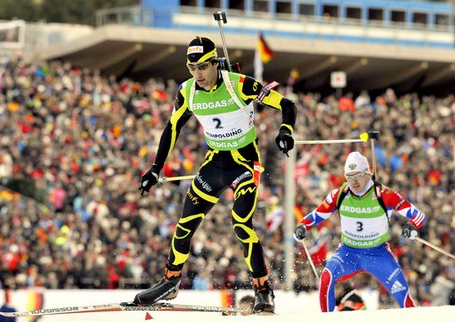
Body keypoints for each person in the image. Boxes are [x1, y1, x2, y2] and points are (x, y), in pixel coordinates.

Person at [135, 36, 297, 314]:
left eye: (202, 67)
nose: (197, 73)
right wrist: (155, 168)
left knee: (241, 223)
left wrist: (286, 130)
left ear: (215, 63)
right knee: (185, 223)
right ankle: (170, 281)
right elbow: (171, 128)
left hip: (245, 162)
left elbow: (287, 104)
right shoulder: (187, 91)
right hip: (215, 163)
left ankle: (263, 289)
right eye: (191, 67)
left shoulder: (240, 84)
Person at [293, 151, 426, 312]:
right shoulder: (339, 194)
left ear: (367, 174)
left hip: (379, 254)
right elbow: (317, 214)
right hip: (349, 253)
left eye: (357, 176)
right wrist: (303, 226)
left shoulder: (384, 194)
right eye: (349, 177)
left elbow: (418, 215)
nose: (353, 181)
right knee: (326, 278)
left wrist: (412, 226)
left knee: (405, 299)